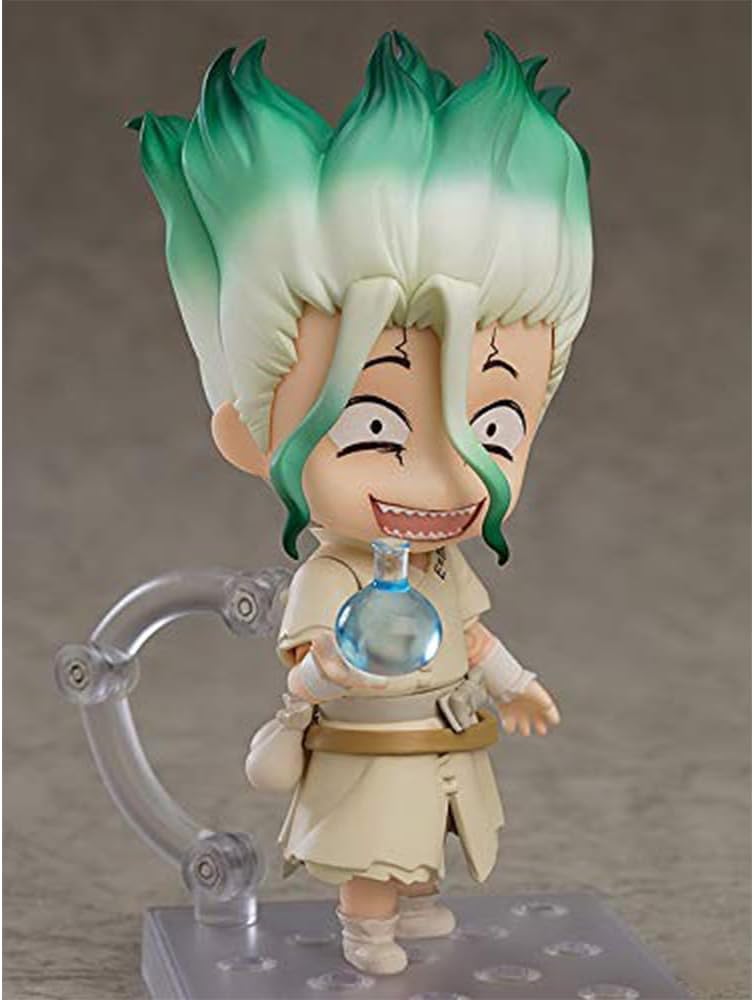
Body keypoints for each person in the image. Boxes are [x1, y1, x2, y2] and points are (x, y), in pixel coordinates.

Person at [130, 29, 593, 974]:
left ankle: (411, 909)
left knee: (429, 841)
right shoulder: (335, 574)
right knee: (372, 844)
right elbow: (305, 663)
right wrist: (327, 673)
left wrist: (515, 682)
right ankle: (365, 929)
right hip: (362, 743)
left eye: (495, 426)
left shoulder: (445, 567)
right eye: (376, 427)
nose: (443, 476)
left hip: (442, 739)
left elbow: (472, 638)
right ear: (248, 431)